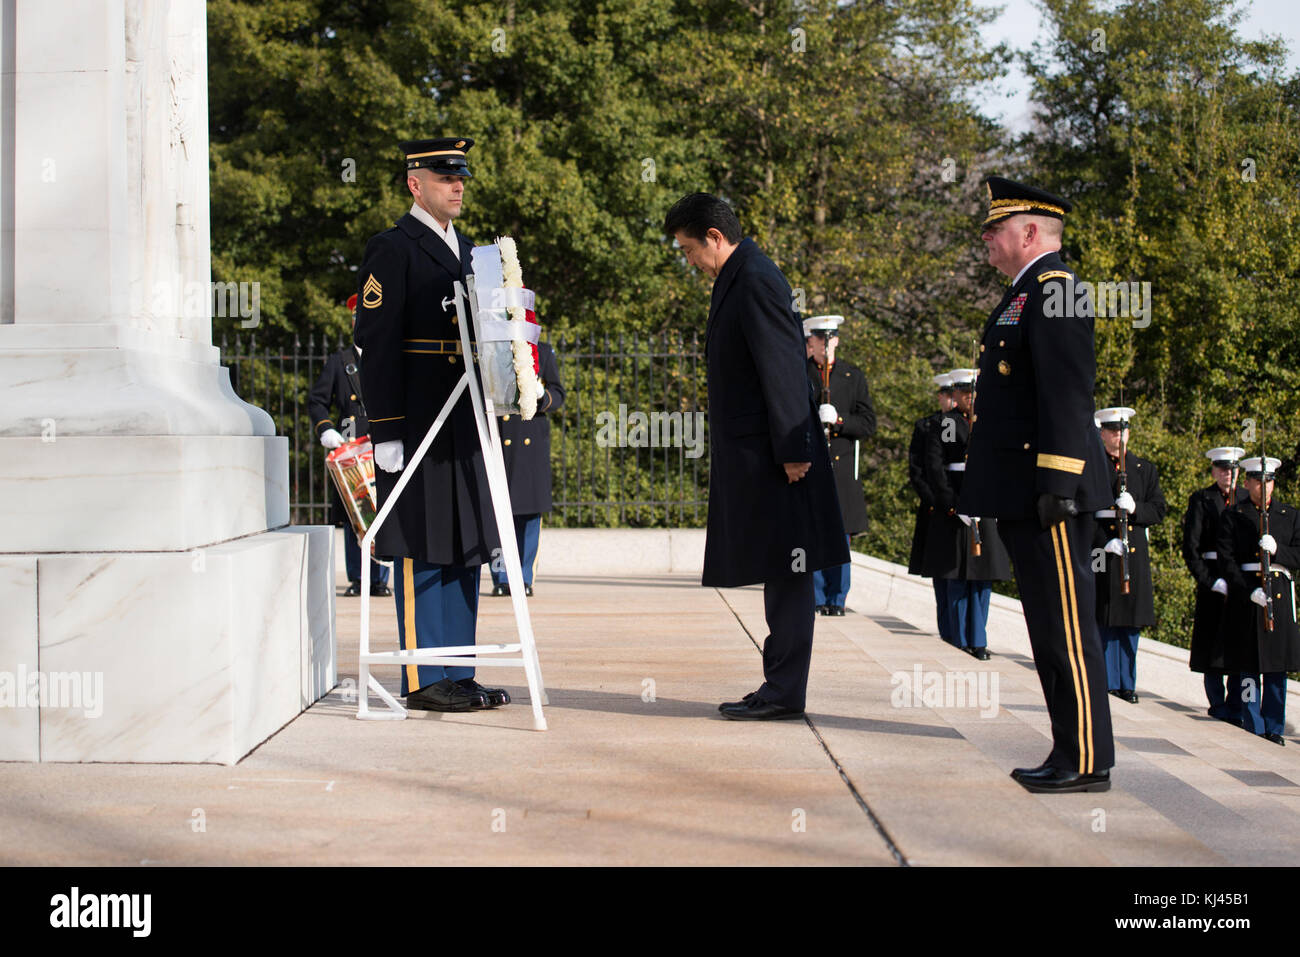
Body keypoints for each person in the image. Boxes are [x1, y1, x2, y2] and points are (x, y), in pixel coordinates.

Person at [663, 192, 847, 721]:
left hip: (779, 456)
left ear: (715, 239)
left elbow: (784, 369)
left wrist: (793, 449)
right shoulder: (741, 275)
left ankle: (785, 692)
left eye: (689, 249)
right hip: (764, 453)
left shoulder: (756, 277)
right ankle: (778, 685)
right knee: (779, 568)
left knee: (790, 573)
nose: (689, 260)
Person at [959, 176, 1114, 793]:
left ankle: (1084, 759)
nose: (988, 242)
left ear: (1029, 232)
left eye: (996, 230)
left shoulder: (1057, 292)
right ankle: (1068, 747)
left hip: (1051, 491)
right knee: (1047, 625)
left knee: (1065, 628)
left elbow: (1068, 393)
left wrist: (1057, 481)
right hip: (1027, 489)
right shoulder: (1026, 295)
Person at [353, 136, 509, 713]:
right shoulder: (393, 249)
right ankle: (423, 676)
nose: (458, 185)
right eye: (446, 177)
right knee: (422, 542)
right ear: (416, 184)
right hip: (419, 421)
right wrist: (387, 428)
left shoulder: (471, 252)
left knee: (464, 542)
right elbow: (375, 340)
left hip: (464, 421)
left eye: (462, 176)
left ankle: (457, 670)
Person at [921, 368, 1012, 659]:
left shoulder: (993, 422)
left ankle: (978, 638)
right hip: (956, 507)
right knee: (957, 578)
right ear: (956, 395)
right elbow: (935, 469)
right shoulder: (946, 424)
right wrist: (954, 505)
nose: (969, 398)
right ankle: (959, 639)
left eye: (973, 393)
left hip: (984, 506)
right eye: (963, 393)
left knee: (980, 578)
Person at [308, 294, 392, 598]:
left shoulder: (387, 360)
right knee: (353, 512)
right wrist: (326, 429)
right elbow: (317, 401)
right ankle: (359, 578)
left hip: (380, 449)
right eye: (357, 319)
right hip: (351, 454)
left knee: (380, 509)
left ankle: (380, 576)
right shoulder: (338, 361)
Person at [1216, 456, 1299, 745]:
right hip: (1249, 593)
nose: (1264, 487)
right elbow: (1226, 560)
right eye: (1258, 481)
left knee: (1277, 665)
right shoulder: (1234, 515)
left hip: (1278, 592)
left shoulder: (1290, 515)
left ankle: (1274, 726)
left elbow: (1298, 556)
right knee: (1249, 663)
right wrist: (1248, 589)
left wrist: (1278, 551)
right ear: (1248, 482)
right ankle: (1254, 722)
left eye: (1269, 481)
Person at [1091, 407, 1167, 704]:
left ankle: (1127, 683)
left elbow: (1158, 510)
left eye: (1122, 431)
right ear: (1102, 433)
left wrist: (1136, 509)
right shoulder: (1093, 467)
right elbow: (1083, 513)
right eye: (1112, 431)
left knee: (1130, 621)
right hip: (1102, 549)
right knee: (1105, 616)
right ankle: (1107, 680)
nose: (1117, 436)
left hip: (1133, 553)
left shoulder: (1143, 470)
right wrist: (1102, 542)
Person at [803, 315, 876, 616]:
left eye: (829, 338)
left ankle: (837, 597)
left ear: (836, 341)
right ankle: (818, 595)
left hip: (842, 467)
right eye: (819, 339)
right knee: (814, 530)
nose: (825, 344)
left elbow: (868, 423)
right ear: (811, 342)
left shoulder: (852, 376)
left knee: (841, 533)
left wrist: (840, 421)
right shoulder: (802, 373)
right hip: (811, 460)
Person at [489, 341, 565, 598]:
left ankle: (523, 576)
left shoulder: (542, 351)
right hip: (501, 440)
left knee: (529, 517)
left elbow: (559, 394)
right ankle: (501, 577)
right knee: (500, 517)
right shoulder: (494, 350)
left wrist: (542, 394)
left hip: (530, 443)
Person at [1183, 446, 1249, 721]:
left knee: (1238, 644)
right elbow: (1191, 548)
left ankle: (1236, 704)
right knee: (1211, 646)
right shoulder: (1202, 499)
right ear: (1214, 471)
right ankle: (1217, 703)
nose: (1228, 474)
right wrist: (1209, 581)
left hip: (1239, 581)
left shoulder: (1247, 499)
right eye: (1222, 469)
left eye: (1232, 469)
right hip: (1213, 580)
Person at [908, 373, 956, 643]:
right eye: (947, 394)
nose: (951, 399)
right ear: (940, 397)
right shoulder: (927, 426)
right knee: (941, 572)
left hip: (958, 507)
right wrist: (936, 501)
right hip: (935, 509)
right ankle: (947, 629)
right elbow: (918, 471)